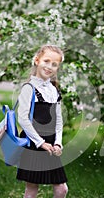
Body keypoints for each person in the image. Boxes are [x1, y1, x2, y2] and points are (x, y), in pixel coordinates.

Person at [17, 45, 68, 198]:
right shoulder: (29, 88)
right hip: (34, 143)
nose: (49, 66)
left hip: (51, 143)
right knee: (32, 188)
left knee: (61, 189)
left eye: (54, 64)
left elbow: (58, 121)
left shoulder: (53, 90)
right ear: (37, 60)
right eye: (46, 61)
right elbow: (23, 119)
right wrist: (40, 143)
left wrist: (58, 143)